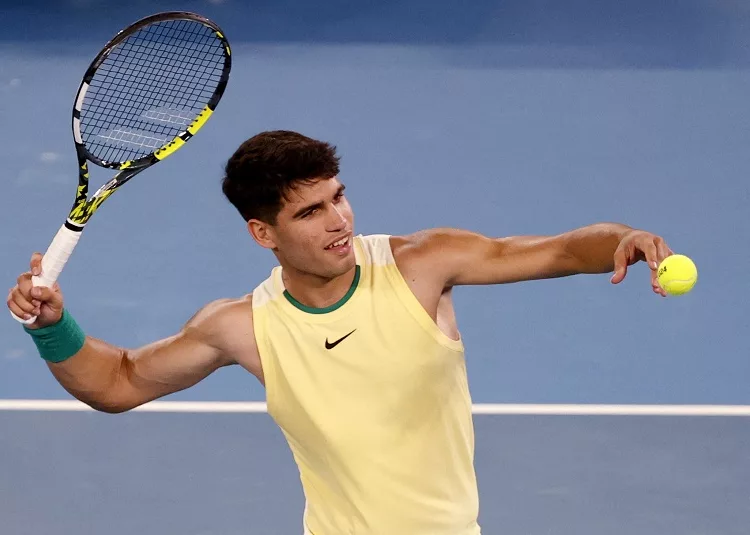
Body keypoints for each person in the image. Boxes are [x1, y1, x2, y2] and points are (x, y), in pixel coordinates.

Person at [7, 130, 674, 535]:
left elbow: (555, 250)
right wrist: (54, 327)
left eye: (339, 196)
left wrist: (623, 238)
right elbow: (118, 381)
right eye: (310, 211)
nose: (339, 221)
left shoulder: (420, 266)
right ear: (262, 233)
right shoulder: (241, 326)